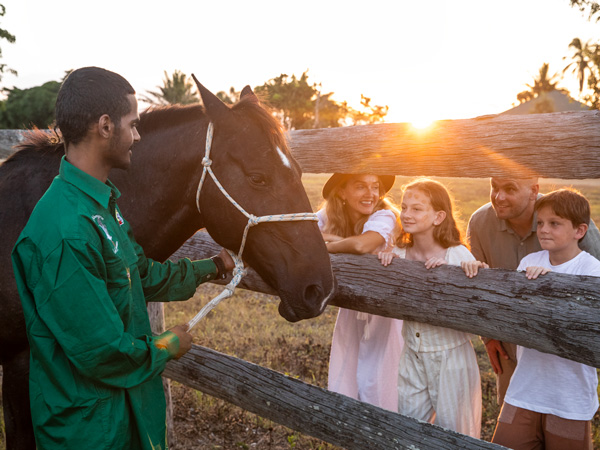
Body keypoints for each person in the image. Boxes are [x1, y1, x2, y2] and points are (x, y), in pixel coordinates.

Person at [11, 67, 234, 450]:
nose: (137, 136)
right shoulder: (64, 231)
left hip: (118, 414)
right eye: (133, 125)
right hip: (88, 430)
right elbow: (103, 354)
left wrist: (210, 268)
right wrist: (168, 345)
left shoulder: (101, 204)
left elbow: (139, 273)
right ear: (104, 126)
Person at [463, 177, 600, 406]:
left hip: (562, 345)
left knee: (561, 415)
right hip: (507, 337)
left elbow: (593, 281)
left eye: (509, 189)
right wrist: (488, 337)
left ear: (534, 191)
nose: (499, 196)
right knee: (511, 408)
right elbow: (477, 283)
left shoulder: (565, 215)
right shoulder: (479, 221)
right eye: (494, 187)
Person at [491, 188, 600, 450]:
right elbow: (514, 315)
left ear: (580, 231)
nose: (543, 229)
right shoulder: (530, 261)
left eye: (554, 223)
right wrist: (532, 284)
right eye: (540, 223)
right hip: (524, 389)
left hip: (569, 396)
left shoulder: (591, 270)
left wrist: (548, 284)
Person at [378, 178, 481, 438]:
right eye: (404, 207)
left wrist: (470, 271)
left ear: (438, 217)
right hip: (411, 352)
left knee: (456, 432)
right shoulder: (399, 254)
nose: (407, 214)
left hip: (450, 356)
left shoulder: (457, 255)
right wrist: (387, 260)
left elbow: (480, 295)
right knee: (408, 426)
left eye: (417, 208)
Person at [318, 173, 403, 411]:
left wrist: (330, 244)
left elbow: (361, 245)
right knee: (347, 373)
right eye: (360, 187)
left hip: (386, 312)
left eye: (375, 187)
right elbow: (302, 233)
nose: (371, 194)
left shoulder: (384, 215)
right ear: (342, 192)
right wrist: (338, 237)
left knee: (381, 379)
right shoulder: (330, 215)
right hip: (353, 306)